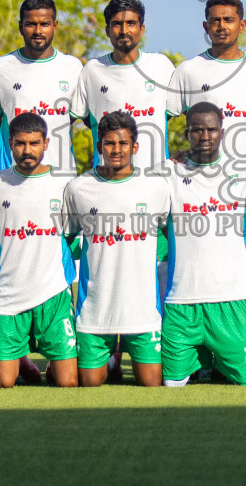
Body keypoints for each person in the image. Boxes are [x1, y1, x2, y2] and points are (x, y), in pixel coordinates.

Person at [61, 111, 172, 386]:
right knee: (90, 383)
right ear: (99, 146)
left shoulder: (156, 187)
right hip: (95, 310)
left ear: (135, 147)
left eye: (123, 143)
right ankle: (111, 360)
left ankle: (118, 355)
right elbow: (66, 236)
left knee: (152, 384)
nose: (117, 150)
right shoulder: (78, 188)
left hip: (142, 310)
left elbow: (170, 233)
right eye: (110, 143)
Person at [160, 103, 246, 386]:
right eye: (197, 130)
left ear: (222, 132)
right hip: (182, 304)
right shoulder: (168, 172)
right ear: (186, 134)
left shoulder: (243, 170)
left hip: (232, 301)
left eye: (211, 129)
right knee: (171, 387)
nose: (204, 136)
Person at [0, 113, 79, 388]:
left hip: (53, 293)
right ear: (10, 144)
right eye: (20, 144)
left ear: (46, 143)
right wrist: (17, 249)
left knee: (68, 382)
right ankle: (21, 361)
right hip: (10, 294)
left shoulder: (65, 180)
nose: (27, 150)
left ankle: (52, 366)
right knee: (2, 383)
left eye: (34, 143)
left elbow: (69, 231)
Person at [165, 0, 246, 167]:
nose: (221, 26)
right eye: (215, 21)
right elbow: (158, 120)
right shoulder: (188, 70)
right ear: (206, 26)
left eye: (228, 20)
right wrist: (169, 158)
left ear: (242, 25)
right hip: (201, 176)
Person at [0, 0, 84, 175]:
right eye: (31, 24)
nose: (38, 31)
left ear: (55, 26)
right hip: (11, 177)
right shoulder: (1, 67)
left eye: (44, 24)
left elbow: (82, 119)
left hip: (61, 176)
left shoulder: (73, 67)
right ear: (21, 27)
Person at [72, 0, 175, 174]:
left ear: (142, 29)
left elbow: (174, 112)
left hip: (155, 179)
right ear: (107, 30)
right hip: (107, 180)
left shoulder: (161, 66)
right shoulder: (92, 70)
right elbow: (85, 117)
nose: (124, 30)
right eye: (117, 24)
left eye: (131, 23)